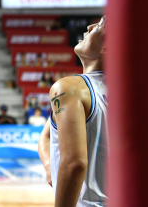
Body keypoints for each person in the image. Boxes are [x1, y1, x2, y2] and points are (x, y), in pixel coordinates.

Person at [38, 16, 108, 207]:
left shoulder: (69, 88)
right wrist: (49, 167)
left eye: (100, 25)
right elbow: (46, 137)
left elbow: (74, 164)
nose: (90, 26)